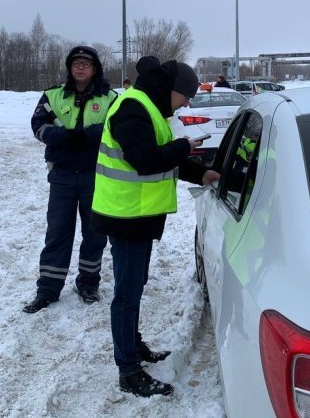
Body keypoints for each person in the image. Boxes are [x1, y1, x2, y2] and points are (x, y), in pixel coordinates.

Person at [91, 56, 221, 397]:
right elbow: (146, 160)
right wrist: (184, 146)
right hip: (126, 216)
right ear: (171, 89)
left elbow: (165, 160)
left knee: (134, 286)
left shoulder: (149, 106)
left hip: (138, 215)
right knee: (126, 294)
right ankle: (128, 370)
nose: (187, 103)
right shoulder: (133, 108)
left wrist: (199, 171)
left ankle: (133, 348)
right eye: (186, 96)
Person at [23, 45, 117, 314]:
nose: (81, 67)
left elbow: (115, 127)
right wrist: (62, 136)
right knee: (57, 233)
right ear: (69, 67)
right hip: (62, 175)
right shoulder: (53, 95)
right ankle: (48, 289)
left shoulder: (110, 98)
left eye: (86, 64)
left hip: (95, 176)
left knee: (95, 233)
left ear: (95, 68)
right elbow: (38, 125)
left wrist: (87, 135)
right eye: (76, 63)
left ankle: (88, 283)